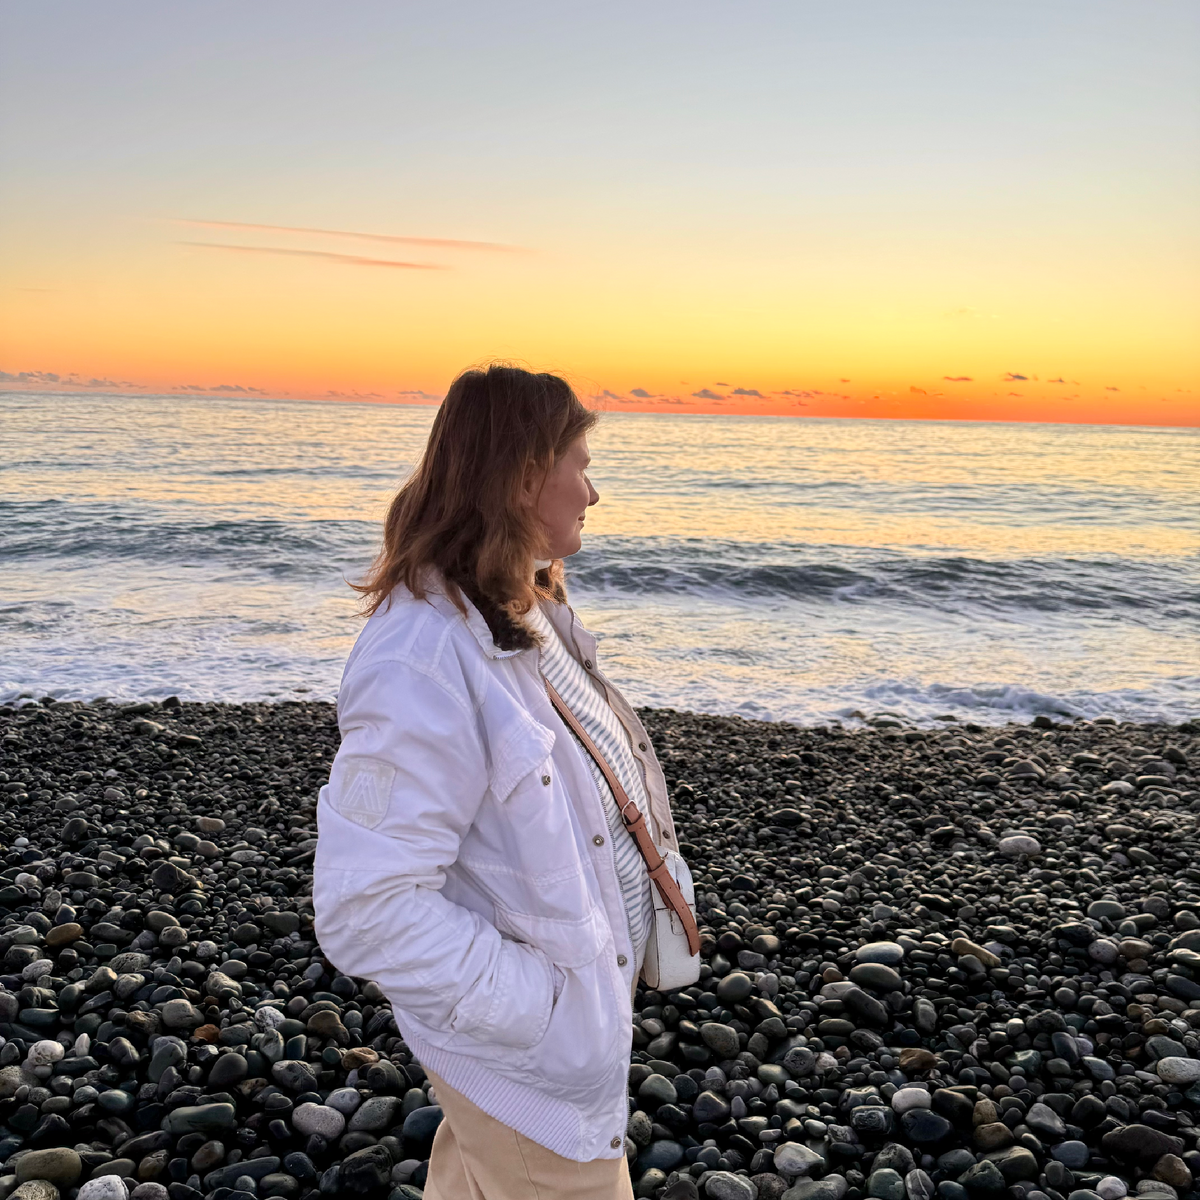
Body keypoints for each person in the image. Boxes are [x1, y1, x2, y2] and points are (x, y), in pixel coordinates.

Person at [313, 364, 691, 1198]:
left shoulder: (519, 610)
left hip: (545, 1051)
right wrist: (546, 1012)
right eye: (580, 466)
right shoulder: (423, 655)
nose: (592, 493)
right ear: (524, 477)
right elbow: (365, 907)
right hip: (534, 1078)